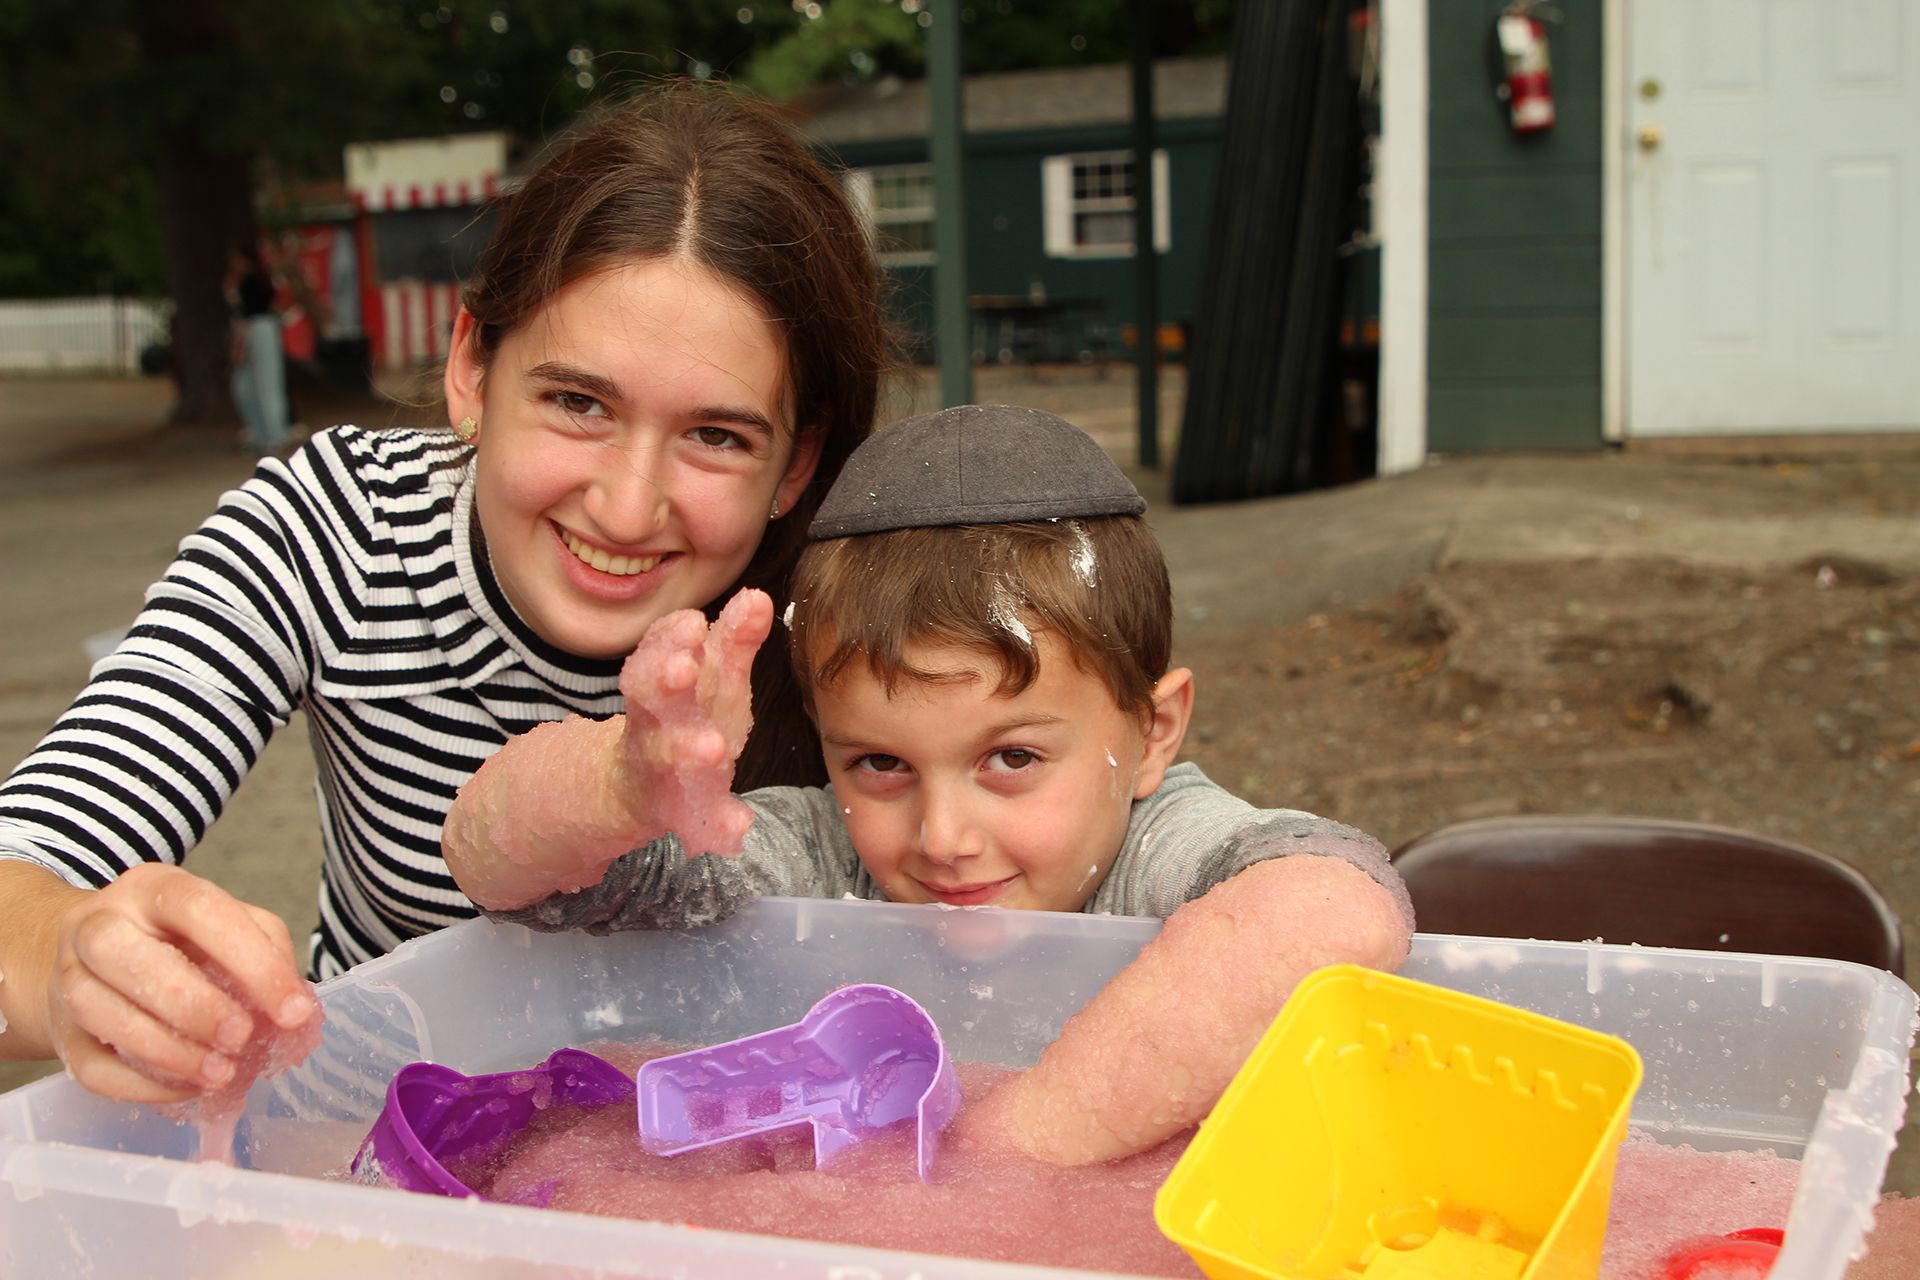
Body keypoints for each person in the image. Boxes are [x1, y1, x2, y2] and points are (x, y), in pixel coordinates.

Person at [0, 81, 892, 1107]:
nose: (628, 502)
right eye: (576, 401)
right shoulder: (333, 526)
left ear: (798, 460)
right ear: (472, 364)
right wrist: (70, 954)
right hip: (370, 1150)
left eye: (716, 435)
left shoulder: (853, 601)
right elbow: (30, 851)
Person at [442, 404, 1415, 1165]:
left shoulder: (1160, 842)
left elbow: (1338, 902)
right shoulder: (813, 853)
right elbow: (501, 869)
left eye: (1012, 758)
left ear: (1152, 731)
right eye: (881, 763)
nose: (945, 833)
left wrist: (1023, 1139)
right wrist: (619, 786)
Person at [226, 244, 294, 456]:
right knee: (245, 386)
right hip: (255, 330)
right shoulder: (251, 280)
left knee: (267, 383)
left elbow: (249, 313)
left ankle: (275, 435)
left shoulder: (252, 281)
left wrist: (239, 344)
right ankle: (260, 433)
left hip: (258, 329)